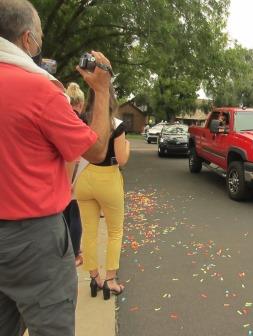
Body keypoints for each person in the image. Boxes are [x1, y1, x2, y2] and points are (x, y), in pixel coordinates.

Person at [0, 1, 112, 335]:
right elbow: (95, 149)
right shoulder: (38, 89)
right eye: (40, 36)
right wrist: (102, 90)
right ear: (27, 39)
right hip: (33, 240)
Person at [75, 84, 130, 300]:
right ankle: (110, 280)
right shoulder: (116, 125)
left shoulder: (81, 120)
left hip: (84, 178)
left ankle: (94, 277)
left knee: (89, 231)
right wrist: (127, 147)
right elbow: (122, 159)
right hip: (108, 179)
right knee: (115, 232)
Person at [64, 83, 87, 267]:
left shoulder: (60, 117)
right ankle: (75, 253)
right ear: (79, 103)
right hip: (75, 170)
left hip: (60, 170)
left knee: (63, 214)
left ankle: (64, 250)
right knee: (75, 215)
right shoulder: (78, 121)